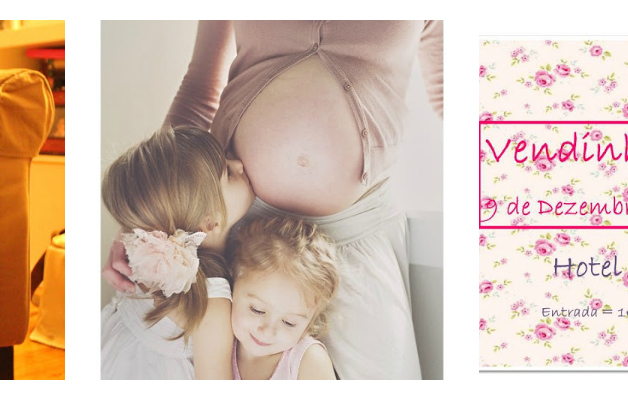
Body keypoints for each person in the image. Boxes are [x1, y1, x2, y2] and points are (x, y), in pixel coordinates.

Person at [105, 20, 443, 379]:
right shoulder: (216, 281)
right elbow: (198, 94)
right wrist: (149, 222)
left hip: (357, 235)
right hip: (248, 239)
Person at [100, 125, 255, 379]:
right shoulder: (212, 305)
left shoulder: (144, 256)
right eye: (228, 173)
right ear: (210, 223)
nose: (239, 164)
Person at [228, 216, 339, 380]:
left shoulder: (309, 361)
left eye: (289, 322)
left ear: (310, 322)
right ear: (232, 285)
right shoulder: (216, 337)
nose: (267, 331)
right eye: (257, 310)